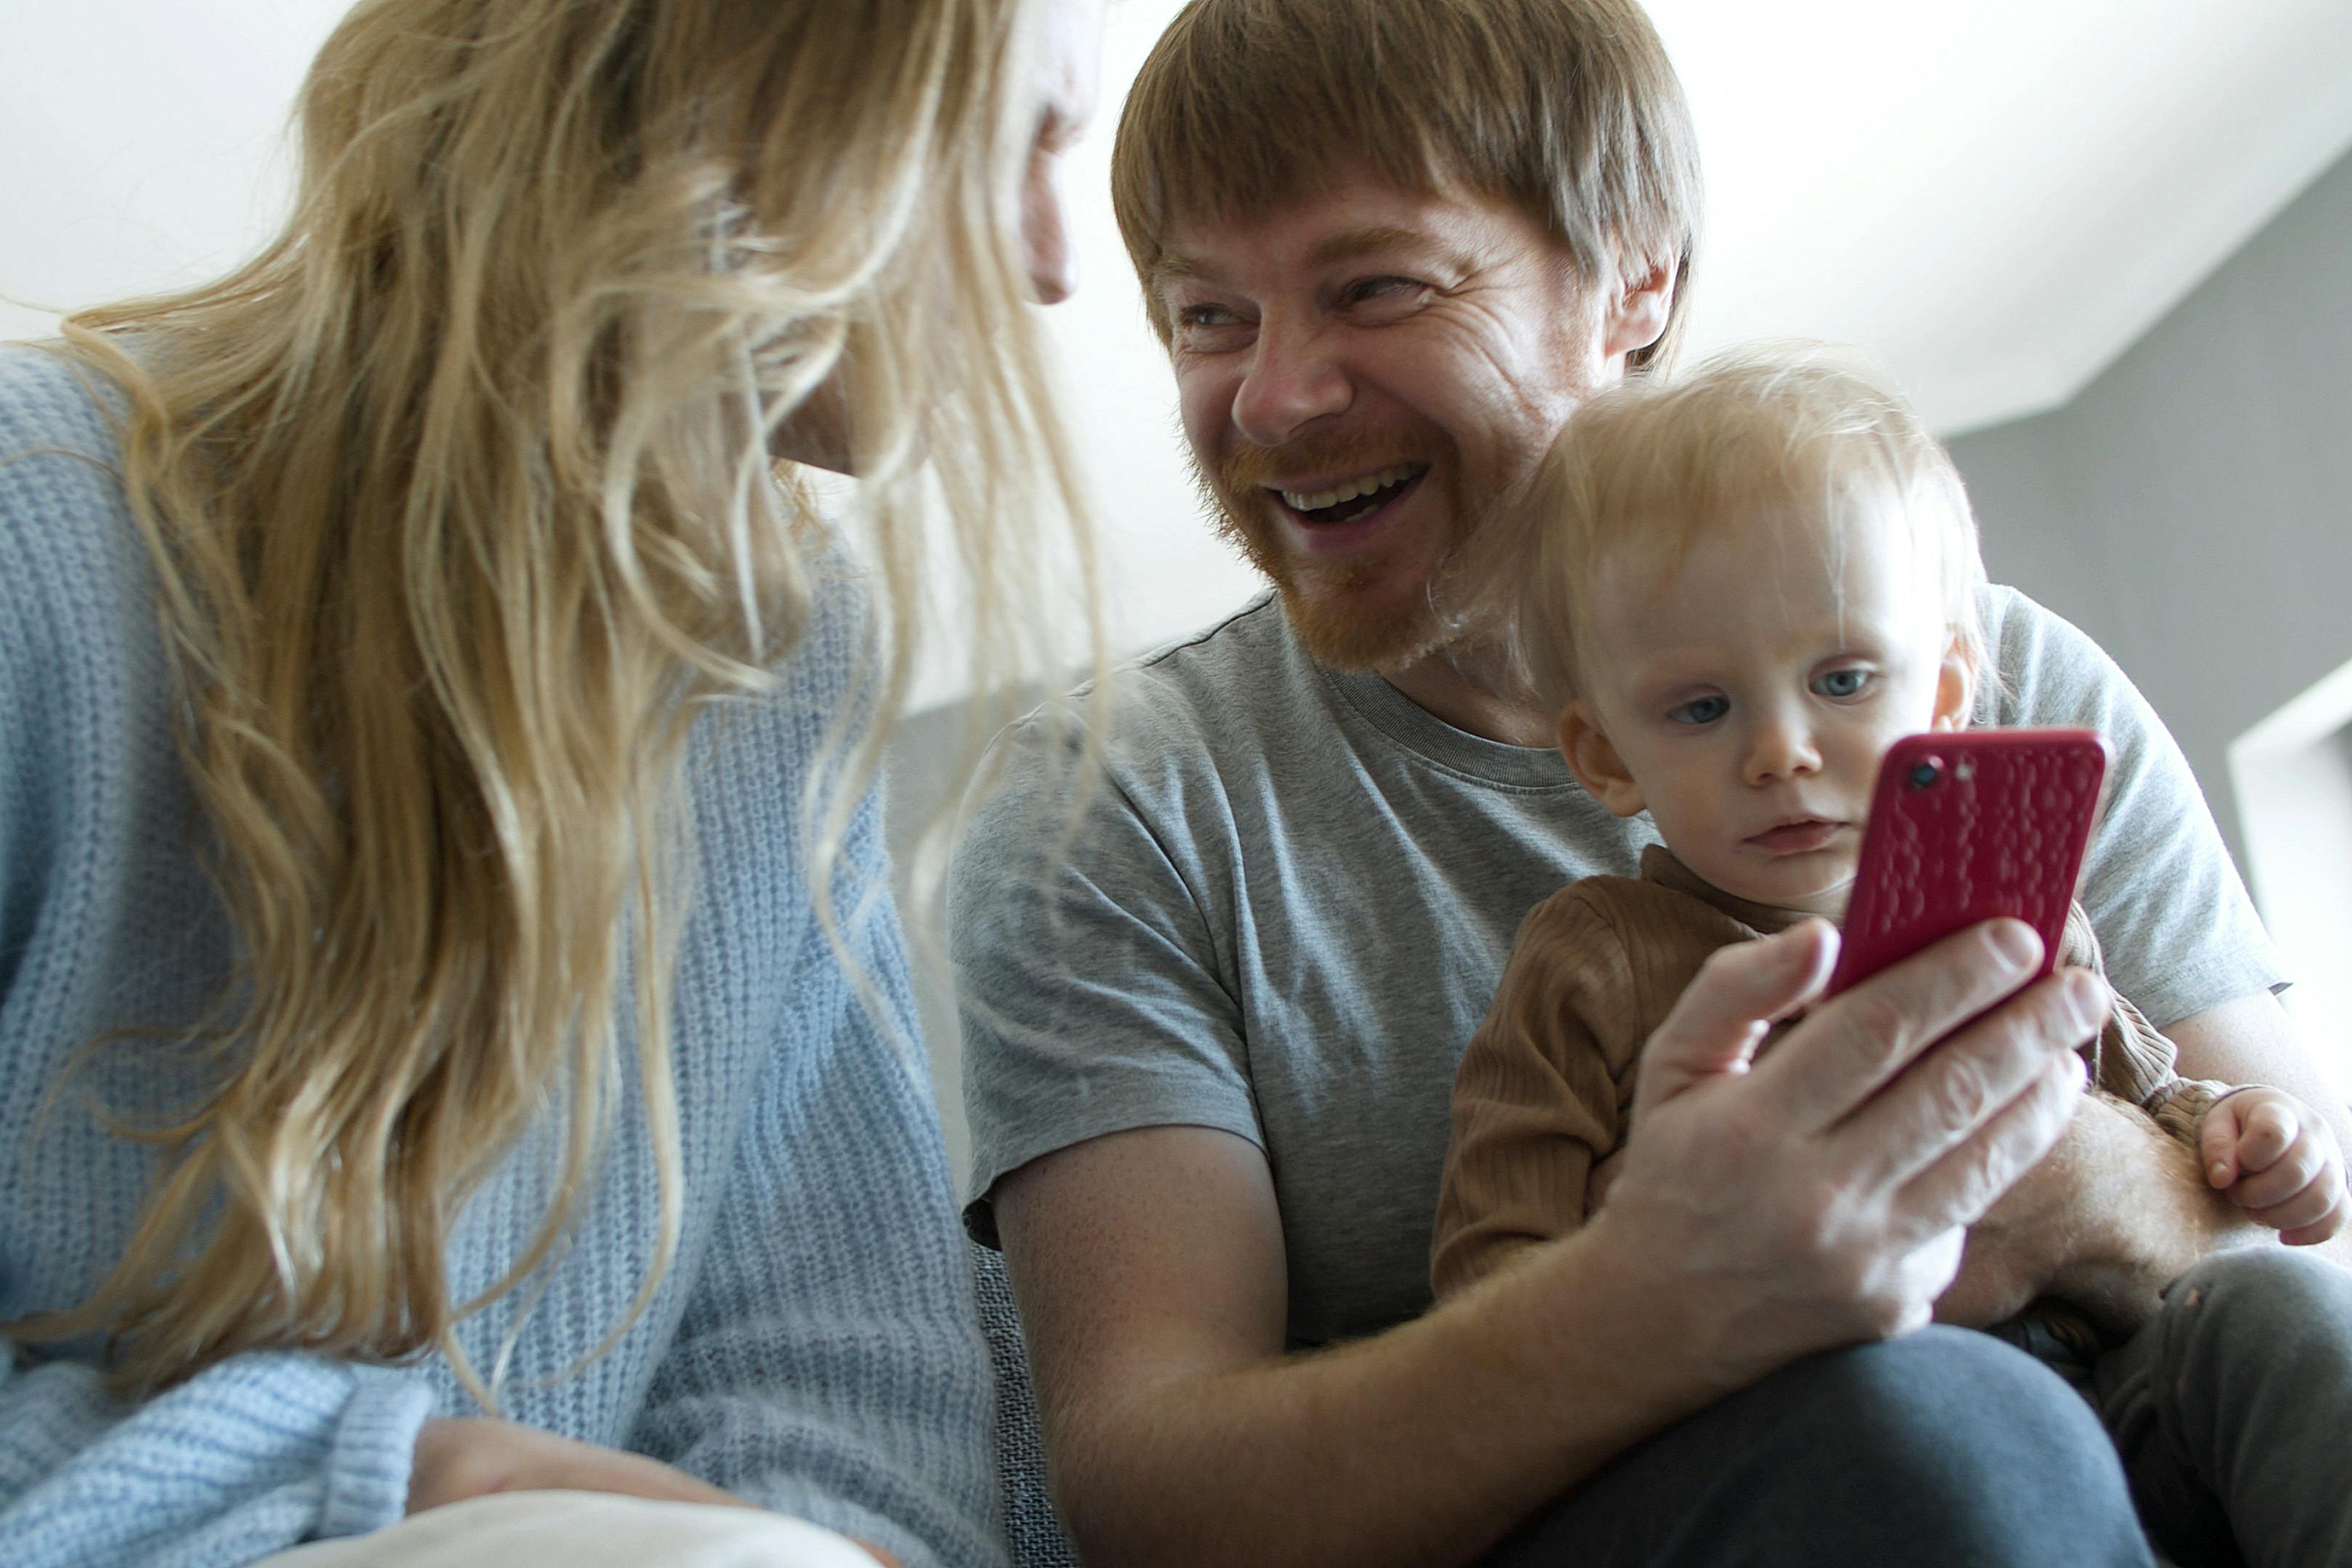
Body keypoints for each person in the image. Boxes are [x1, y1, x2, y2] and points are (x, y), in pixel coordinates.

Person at [948, 1, 2352, 1564]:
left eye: (1376, 287)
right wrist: (1664, 1300)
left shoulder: (1996, 682)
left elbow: (2305, 1252)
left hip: (2155, 1446)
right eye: (1208, 317)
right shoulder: (1125, 807)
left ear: (1635, 281)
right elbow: (1151, 1500)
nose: (1273, 400)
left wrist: (2054, 1174)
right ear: (1600, 756)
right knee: (1961, 1433)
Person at [0, 1, 1106, 1565]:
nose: (1058, 262)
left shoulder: (791, 664)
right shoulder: (37, 527)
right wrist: (409, 1477)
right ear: (735, 105)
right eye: (1013, 149)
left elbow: (851, 1402)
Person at [1429, 348, 2352, 1568]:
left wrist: (2250, 1138)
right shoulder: (1594, 961)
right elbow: (1492, 1286)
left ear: (1949, 689)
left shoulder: (2008, 907)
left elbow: (2158, 1109)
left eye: (1844, 680)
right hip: (1842, 1455)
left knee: (2291, 1314)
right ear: (1602, 757)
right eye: (1701, 709)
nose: (1782, 752)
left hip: (2128, 1401)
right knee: (1950, 1429)